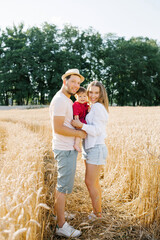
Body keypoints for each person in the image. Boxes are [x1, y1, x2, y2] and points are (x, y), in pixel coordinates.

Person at [49, 69, 86, 238]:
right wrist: (78, 134)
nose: (76, 86)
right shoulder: (60, 100)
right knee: (62, 187)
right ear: (65, 81)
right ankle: (61, 225)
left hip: (67, 148)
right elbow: (58, 128)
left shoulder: (66, 99)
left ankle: (60, 214)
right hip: (63, 149)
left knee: (64, 185)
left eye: (78, 83)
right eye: (73, 82)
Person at [71, 81, 109, 220]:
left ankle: (97, 214)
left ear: (101, 94)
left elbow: (98, 130)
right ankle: (97, 210)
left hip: (96, 148)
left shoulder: (98, 107)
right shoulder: (91, 107)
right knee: (94, 182)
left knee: (90, 182)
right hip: (90, 147)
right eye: (90, 92)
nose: (93, 95)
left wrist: (81, 125)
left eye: (96, 93)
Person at [73, 87, 89, 152]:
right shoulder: (76, 105)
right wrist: (78, 124)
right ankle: (76, 144)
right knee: (79, 133)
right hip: (78, 120)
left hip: (83, 120)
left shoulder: (85, 104)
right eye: (80, 96)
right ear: (76, 96)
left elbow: (87, 108)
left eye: (84, 96)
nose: (82, 98)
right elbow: (76, 115)